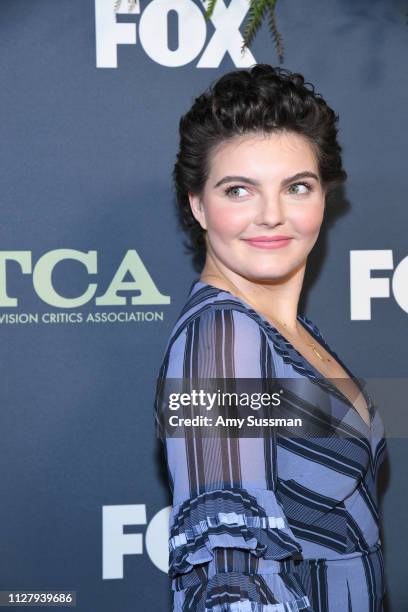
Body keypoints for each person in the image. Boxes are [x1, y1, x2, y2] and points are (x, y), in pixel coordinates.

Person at [154, 64, 388, 611]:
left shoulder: (288, 331)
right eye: (239, 190)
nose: (272, 216)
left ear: (323, 197)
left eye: (297, 187)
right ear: (198, 204)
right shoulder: (221, 338)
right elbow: (230, 576)